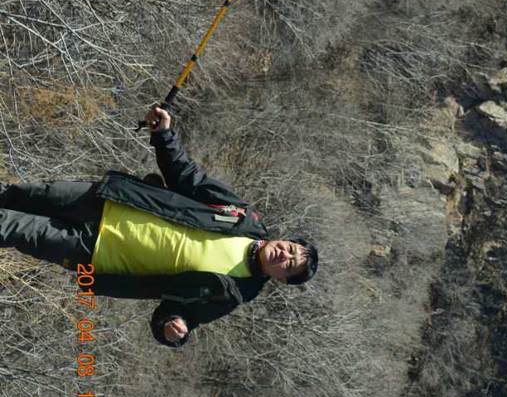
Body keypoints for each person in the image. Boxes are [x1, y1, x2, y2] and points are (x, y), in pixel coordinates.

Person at [0, 105, 318, 348]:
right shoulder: (242, 217)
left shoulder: (233, 294)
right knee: (17, 195)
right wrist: (164, 135)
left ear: (281, 280)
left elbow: (179, 314)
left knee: (14, 227)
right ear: (285, 239)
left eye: (289, 265)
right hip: (109, 201)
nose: (284, 256)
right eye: (291, 249)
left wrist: (173, 326)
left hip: (95, 254)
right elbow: (189, 179)